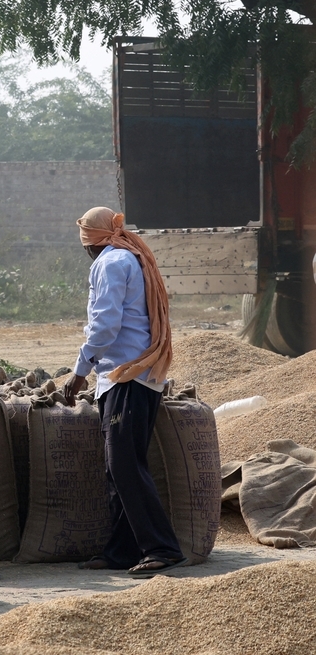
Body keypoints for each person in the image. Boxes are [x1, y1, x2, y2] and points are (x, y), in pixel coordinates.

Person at [61, 206, 188, 577]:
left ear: (89, 241)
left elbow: (105, 325)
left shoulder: (110, 262)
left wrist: (79, 371)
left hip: (127, 376)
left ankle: (162, 548)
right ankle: (121, 550)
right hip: (131, 376)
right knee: (118, 466)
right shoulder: (127, 257)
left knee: (124, 464)